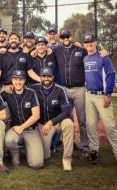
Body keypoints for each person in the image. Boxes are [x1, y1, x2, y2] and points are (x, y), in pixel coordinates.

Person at [53, 30, 89, 158]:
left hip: (79, 89)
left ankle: (85, 147)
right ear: (60, 39)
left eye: (67, 36)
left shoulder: (81, 50)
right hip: (64, 89)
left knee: (82, 119)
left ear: (72, 37)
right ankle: (68, 143)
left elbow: (92, 54)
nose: (65, 38)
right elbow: (45, 50)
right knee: (65, 118)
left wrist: (103, 52)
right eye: (62, 37)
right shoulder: (57, 50)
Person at [31, 67, 74, 171]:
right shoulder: (34, 89)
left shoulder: (60, 90)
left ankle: (67, 159)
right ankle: (50, 148)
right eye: (44, 76)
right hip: (43, 125)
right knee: (45, 156)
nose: (46, 78)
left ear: (53, 77)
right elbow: (20, 88)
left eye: (49, 76)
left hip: (58, 122)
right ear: (40, 77)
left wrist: (51, 122)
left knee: (69, 123)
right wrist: (10, 87)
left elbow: (66, 111)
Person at [83, 34, 117, 164]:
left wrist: (108, 94)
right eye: (87, 42)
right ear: (84, 44)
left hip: (102, 95)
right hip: (89, 95)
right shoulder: (85, 58)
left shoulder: (103, 57)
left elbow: (111, 75)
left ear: (95, 43)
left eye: (91, 41)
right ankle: (94, 152)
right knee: (91, 125)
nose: (89, 44)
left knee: (109, 126)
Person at [2, 70, 44, 169]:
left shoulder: (31, 93)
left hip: (31, 130)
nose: (18, 82)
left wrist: (22, 127)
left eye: (21, 79)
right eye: (15, 79)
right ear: (12, 80)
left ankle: (27, 149)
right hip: (15, 130)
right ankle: (15, 155)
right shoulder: (7, 93)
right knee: (8, 140)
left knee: (37, 164)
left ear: (24, 80)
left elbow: (36, 115)